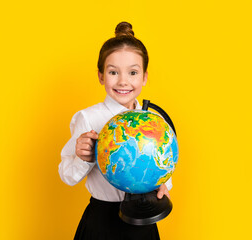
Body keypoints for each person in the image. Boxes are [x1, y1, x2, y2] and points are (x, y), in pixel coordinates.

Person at [59, 21, 172, 240]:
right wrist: (83, 158)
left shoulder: (154, 120)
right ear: (101, 76)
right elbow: (67, 176)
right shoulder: (88, 118)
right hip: (101, 223)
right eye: (113, 72)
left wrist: (163, 188)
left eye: (132, 72)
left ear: (144, 77)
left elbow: (164, 166)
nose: (123, 81)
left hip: (143, 220)